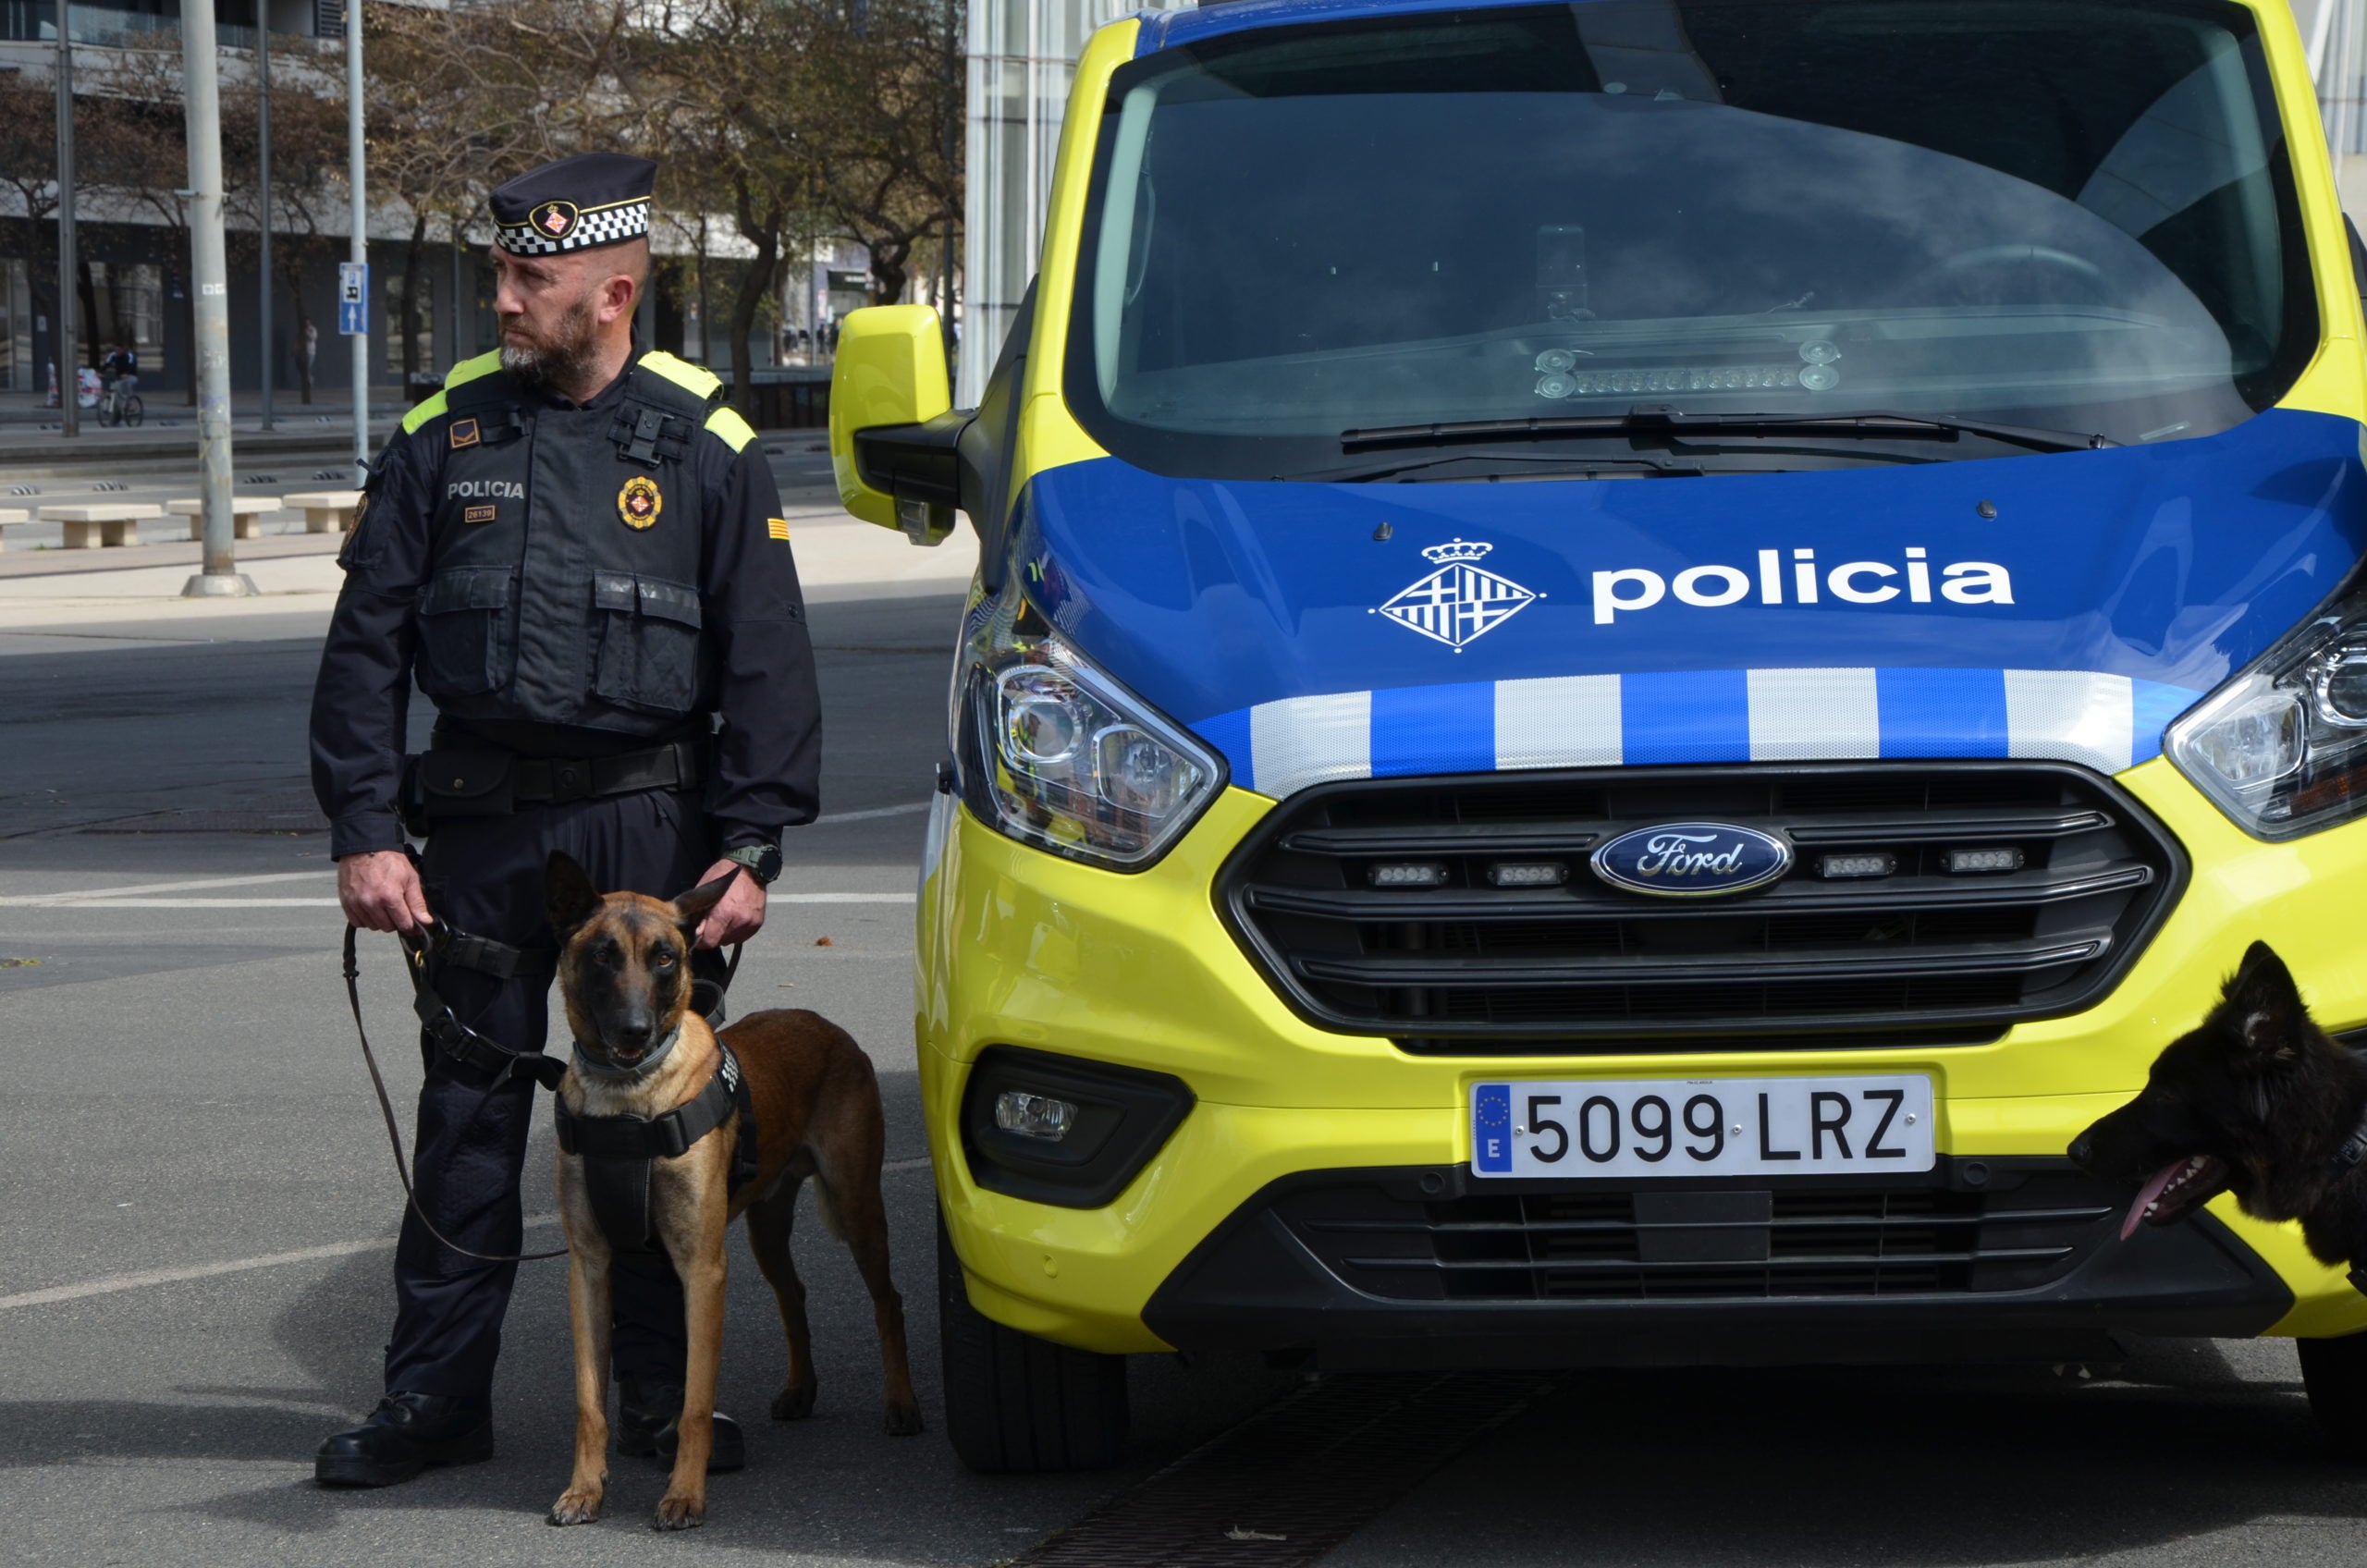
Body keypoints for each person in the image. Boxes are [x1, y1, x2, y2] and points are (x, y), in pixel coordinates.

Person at [308, 152, 821, 1488]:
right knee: (468, 1123)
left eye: (531, 280)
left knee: (653, 1132)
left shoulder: (703, 443)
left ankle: (660, 1407)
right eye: (504, 273)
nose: (505, 300)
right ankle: (433, 1401)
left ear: (612, 292)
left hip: (655, 839)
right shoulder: (442, 434)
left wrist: (753, 841)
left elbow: (768, 655)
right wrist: (366, 833)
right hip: (480, 841)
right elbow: (365, 650)